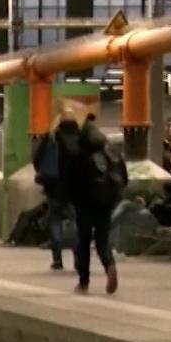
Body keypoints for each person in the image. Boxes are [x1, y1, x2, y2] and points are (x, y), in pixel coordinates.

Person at [59, 114, 126, 294]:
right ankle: (110, 265)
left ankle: (84, 282)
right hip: (106, 200)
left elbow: (68, 179)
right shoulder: (108, 148)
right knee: (102, 240)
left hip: (84, 203)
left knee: (83, 241)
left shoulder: (77, 151)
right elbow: (122, 173)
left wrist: (67, 198)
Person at [33, 119, 81, 271]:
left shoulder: (52, 139)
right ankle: (78, 258)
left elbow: (37, 159)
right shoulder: (80, 140)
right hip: (74, 189)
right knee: (75, 223)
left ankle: (57, 259)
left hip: (53, 188)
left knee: (55, 222)